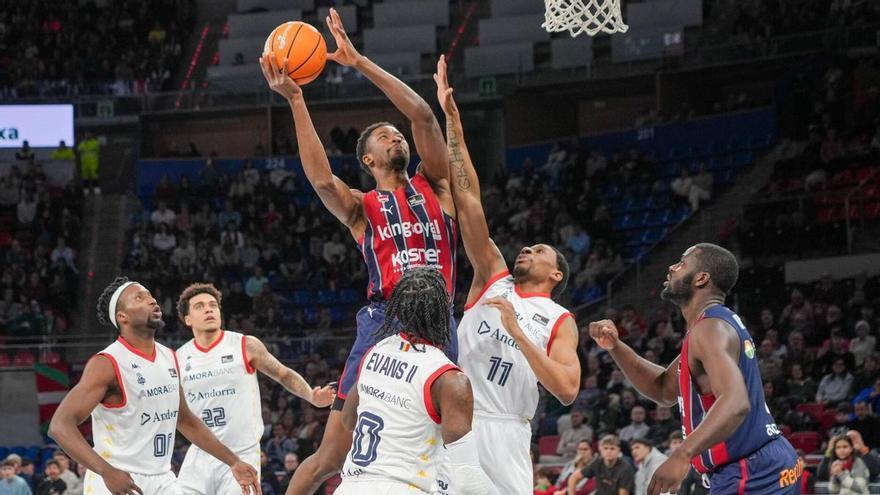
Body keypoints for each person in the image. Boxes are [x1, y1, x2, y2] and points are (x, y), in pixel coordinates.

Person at [261, 10, 459, 494]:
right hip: (383, 320)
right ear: (369, 159)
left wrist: (359, 63)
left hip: (438, 319)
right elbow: (320, 179)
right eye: (385, 136)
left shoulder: (437, 186)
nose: (396, 136)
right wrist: (297, 100)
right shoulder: (361, 207)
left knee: (440, 444)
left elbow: (423, 115)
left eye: (397, 134)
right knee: (330, 455)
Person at [434, 55, 581, 494]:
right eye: (527, 246)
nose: (527, 249)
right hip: (457, 422)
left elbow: (567, 389)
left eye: (539, 250)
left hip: (508, 432)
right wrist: (454, 124)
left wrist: (517, 332)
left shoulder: (560, 321)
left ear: (556, 274)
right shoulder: (493, 276)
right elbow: (469, 202)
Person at [589, 243, 802, 494]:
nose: (672, 267)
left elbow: (736, 402)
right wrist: (615, 347)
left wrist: (682, 454)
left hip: (749, 471)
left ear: (701, 278)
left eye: (682, 263)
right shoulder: (711, 326)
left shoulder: (710, 329)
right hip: (762, 464)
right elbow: (664, 389)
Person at [47, 277, 260, 495]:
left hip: (162, 478)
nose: (151, 300)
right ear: (122, 317)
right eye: (139, 298)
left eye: (149, 295)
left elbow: (185, 420)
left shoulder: (169, 356)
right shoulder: (107, 363)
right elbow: (60, 425)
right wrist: (106, 471)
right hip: (118, 478)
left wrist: (233, 461)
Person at [335, 268, 494, 495]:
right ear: (444, 312)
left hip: (350, 486)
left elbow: (349, 420)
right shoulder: (448, 379)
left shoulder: (374, 351)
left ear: (397, 310)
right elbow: (469, 480)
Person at [175, 283, 335, 494]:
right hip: (200, 453)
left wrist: (311, 395)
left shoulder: (244, 345)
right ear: (187, 319)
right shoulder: (177, 358)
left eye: (213, 305)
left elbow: (282, 373)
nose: (208, 309)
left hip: (241, 452)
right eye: (200, 306)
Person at [566, 435, 635, 495]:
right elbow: (573, 478)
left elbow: (623, 493)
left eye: (612, 448)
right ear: (601, 450)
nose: (608, 451)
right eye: (605, 448)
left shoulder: (626, 469)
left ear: (618, 450)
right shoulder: (598, 463)